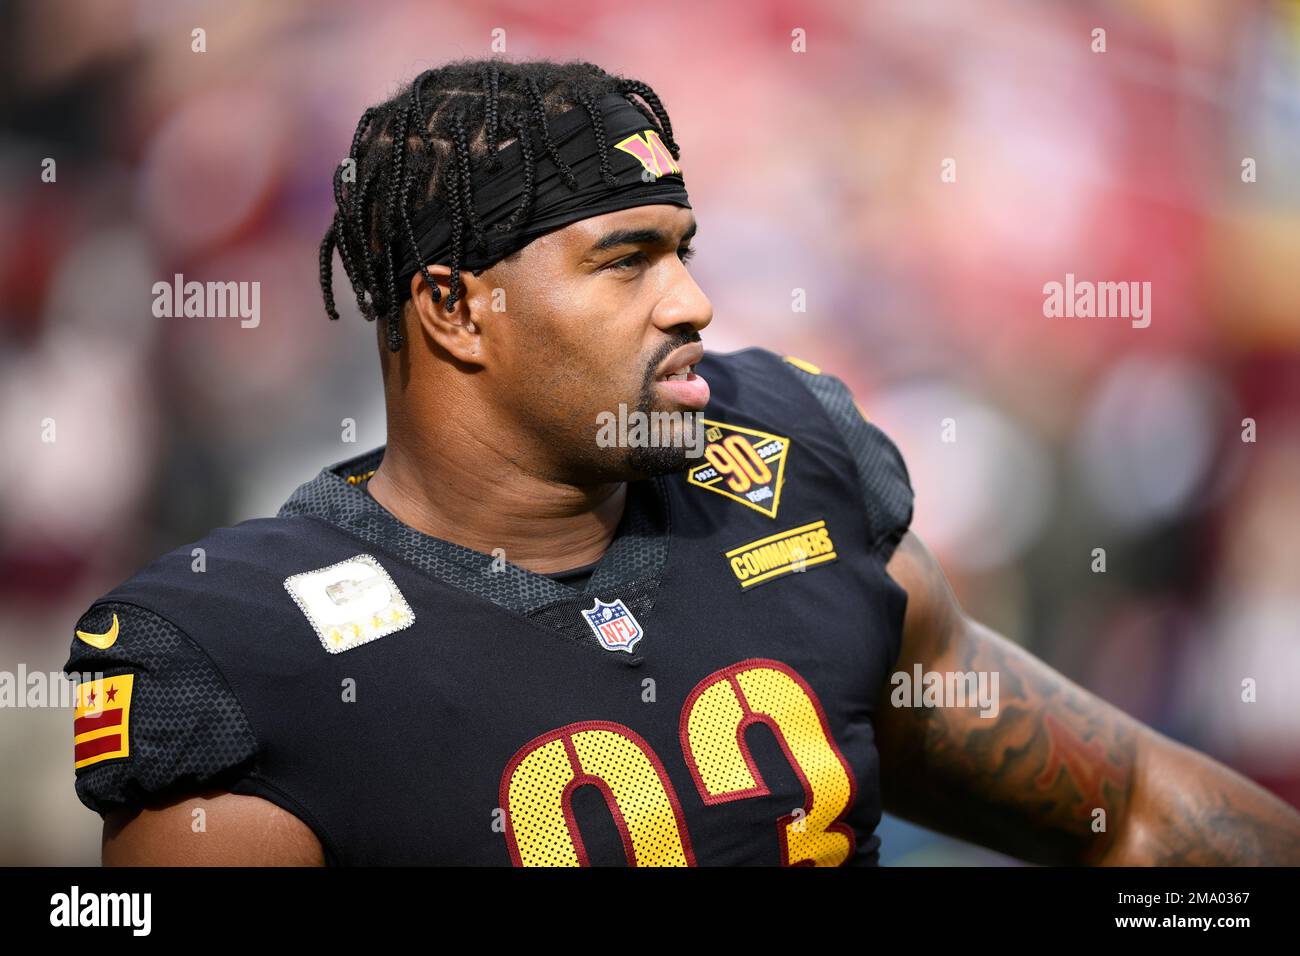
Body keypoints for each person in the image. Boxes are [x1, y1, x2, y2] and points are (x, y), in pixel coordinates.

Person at [65, 58, 1300, 866]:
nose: (695, 302)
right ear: (453, 308)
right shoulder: (246, 653)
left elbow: (1128, 809)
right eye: (627, 259)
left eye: (686, 250)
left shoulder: (784, 470)